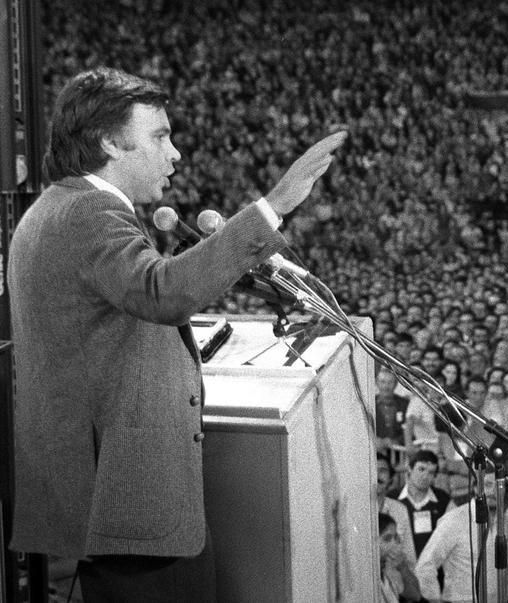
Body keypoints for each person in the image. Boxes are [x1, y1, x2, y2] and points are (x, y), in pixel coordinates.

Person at [8, 67, 344, 602]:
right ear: (109, 143)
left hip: (120, 509)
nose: (176, 154)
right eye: (160, 136)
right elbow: (163, 291)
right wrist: (272, 207)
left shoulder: (52, 210)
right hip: (130, 511)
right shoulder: (89, 213)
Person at [415, 473, 501, 603]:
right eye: (488, 485)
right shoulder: (455, 519)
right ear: (476, 488)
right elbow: (425, 565)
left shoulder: (502, 521)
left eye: (499, 486)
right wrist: (434, 599)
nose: (493, 491)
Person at [397, 449, 454, 558]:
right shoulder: (393, 498)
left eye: (431, 472)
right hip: (401, 567)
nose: (425, 476)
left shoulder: (443, 499)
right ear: (409, 469)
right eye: (421, 469)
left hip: (434, 569)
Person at [379, 513, 422, 603]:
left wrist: (402, 567)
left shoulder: (391, 565)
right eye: (387, 539)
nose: (394, 543)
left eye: (395, 538)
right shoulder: (366, 573)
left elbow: (416, 596)